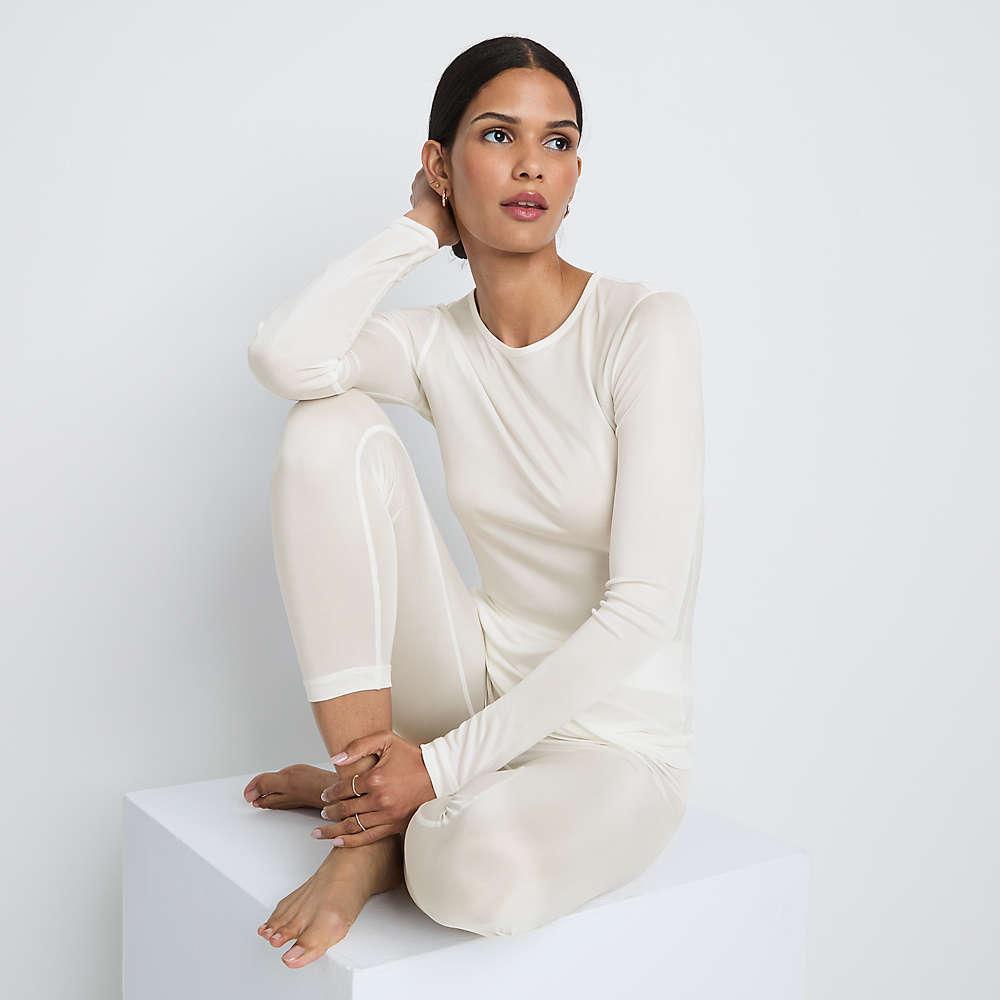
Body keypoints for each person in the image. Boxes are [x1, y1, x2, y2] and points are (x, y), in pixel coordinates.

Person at [243, 35, 705, 968]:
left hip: (612, 742)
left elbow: (645, 607)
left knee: (471, 874)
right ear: (441, 165)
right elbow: (286, 360)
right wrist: (417, 230)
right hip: (473, 685)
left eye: (558, 141)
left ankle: (385, 810)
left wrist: (439, 769)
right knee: (325, 425)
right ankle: (366, 818)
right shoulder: (435, 343)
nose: (533, 164)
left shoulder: (643, 326)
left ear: (575, 173)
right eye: (498, 135)